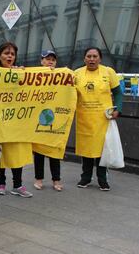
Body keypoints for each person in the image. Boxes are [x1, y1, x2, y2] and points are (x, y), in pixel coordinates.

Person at [74, 47, 123, 191]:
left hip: (103, 119)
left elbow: (118, 93)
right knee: (87, 150)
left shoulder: (108, 72)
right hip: (84, 118)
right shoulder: (76, 73)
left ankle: (102, 179)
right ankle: (86, 177)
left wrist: (118, 109)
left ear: (100, 59)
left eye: (95, 56)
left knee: (103, 150)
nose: (91, 59)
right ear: (84, 59)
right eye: (88, 56)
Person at [0, 42, 33, 198]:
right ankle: (1, 183)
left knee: (17, 151)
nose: (10, 56)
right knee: (2, 152)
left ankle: (18, 184)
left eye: (12, 54)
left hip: (16, 120)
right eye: (6, 53)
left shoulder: (20, 73)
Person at [33, 50, 63, 191]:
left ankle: (56, 180)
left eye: (53, 59)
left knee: (54, 151)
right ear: (42, 61)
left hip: (55, 117)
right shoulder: (34, 75)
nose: (50, 61)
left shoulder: (61, 77)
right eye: (47, 59)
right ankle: (38, 179)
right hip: (39, 117)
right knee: (38, 151)